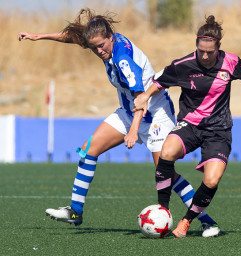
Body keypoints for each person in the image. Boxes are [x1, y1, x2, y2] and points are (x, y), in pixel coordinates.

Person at [18, 9, 221, 237]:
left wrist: (134, 130)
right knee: (88, 150)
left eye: (102, 45)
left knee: (164, 173)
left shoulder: (123, 58)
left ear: (111, 37)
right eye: (94, 47)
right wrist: (38, 36)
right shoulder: (101, 42)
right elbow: (73, 37)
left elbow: (140, 97)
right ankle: (75, 211)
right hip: (127, 112)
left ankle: (207, 221)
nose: (99, 50)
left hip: (154, 115)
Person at [133, 15, 241, 238]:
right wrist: (145, 97)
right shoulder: (183, 65)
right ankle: (163, 209)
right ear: (197, 47)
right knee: (167, 152)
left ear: (218, 47)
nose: (205, 55)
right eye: (201, 50)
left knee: (211, 180)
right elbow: (159, 81)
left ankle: (187, 221)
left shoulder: (230, 62)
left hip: (219, 131)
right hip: (189, 125)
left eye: (210, 51)